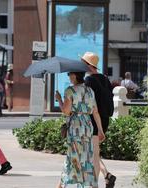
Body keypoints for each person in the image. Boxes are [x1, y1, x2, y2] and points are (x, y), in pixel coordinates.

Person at [55, 71, 105, 188]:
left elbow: (66, 112)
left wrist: (59, 100)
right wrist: (100, 130)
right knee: (87, 156)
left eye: (69, 74)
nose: (68, 77)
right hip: (87, 125)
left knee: (73, 156)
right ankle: (89, 184)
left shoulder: (70, 90)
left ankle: (65, 182)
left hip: (75, 125)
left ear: (74, 75)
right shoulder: (90, 91)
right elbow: (95, 111)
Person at [82, 52, 116, 188]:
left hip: (93, 120)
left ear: (88, 65)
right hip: (104, 119)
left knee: (93, 152)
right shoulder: (105, 79)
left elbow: (87, 103)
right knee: (93, 151)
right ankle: (106, 174)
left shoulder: (89, 81)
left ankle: (94, 183)